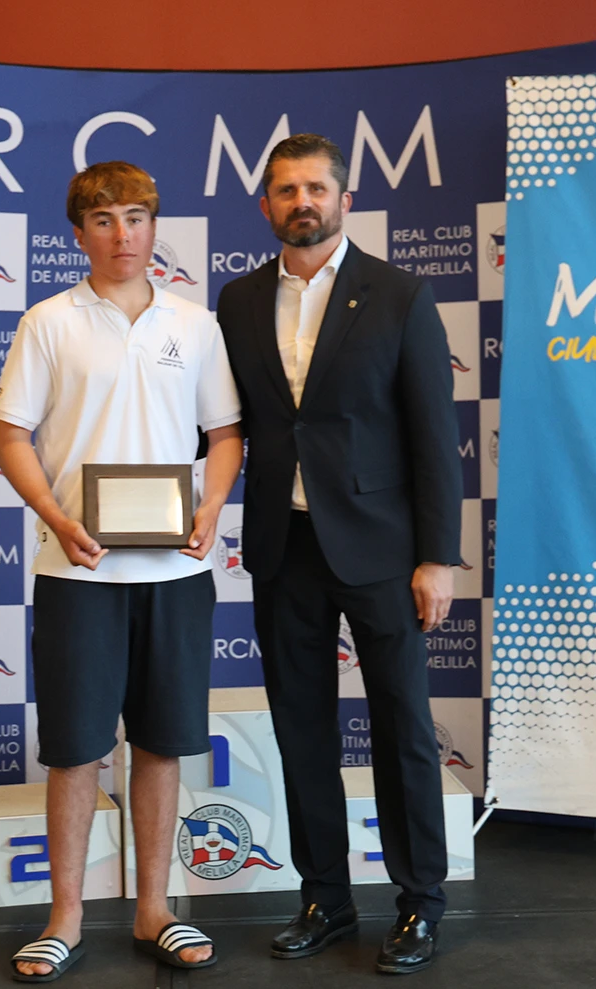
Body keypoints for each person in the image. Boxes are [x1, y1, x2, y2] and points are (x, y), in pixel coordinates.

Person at [215, 134, 464, 975]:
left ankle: (420, 902)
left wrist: (437, 558)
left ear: (344, 199)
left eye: (316, 188)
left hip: (384, 550)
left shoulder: (398, 293)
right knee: (301, 728)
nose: (302, 202)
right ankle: (324, 896)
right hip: (283, 547)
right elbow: (227, 423)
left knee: (403, 728)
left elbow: (434, 437)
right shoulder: (237, 299)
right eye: (286, 190)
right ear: (265, 205)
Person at [0, 160, 244, 983]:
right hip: (77, 574)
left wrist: (211, 506)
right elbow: (10, 435)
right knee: (75, 752)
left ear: (154, 226)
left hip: (174, 573)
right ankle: (64, 917)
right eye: (103, 220)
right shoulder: (48, 321)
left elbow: (226, 433)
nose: (122, 234)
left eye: (135, 217)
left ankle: (154, 909)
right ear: (79, 233)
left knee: (163, 746)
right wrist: (57, 516)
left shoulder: (194, 324)